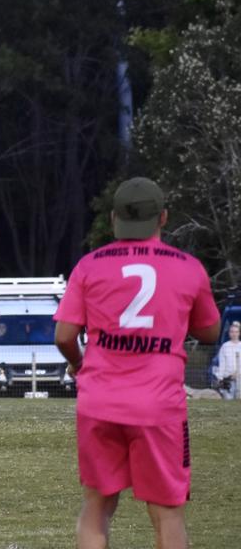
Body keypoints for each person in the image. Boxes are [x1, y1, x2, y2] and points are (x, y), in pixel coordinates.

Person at [54, 177, 220, 549]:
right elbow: (210, 332)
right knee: (167, 512)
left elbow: (65, 336)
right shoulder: (188, 267)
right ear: (163, 217)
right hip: (160, 406)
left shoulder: (89, 265)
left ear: (114, 219)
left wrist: (79, 365)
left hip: (99, 402)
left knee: (97, 507)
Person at [213, 321, 241, 399]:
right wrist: (220, 378)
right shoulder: (225, 346)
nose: (234, 334)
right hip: (228, 380)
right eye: (232, 332)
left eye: (236, 332)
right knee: (228, 402)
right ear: (229, 333)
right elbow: (222, 364)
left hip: (240, 379)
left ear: (239, 333)